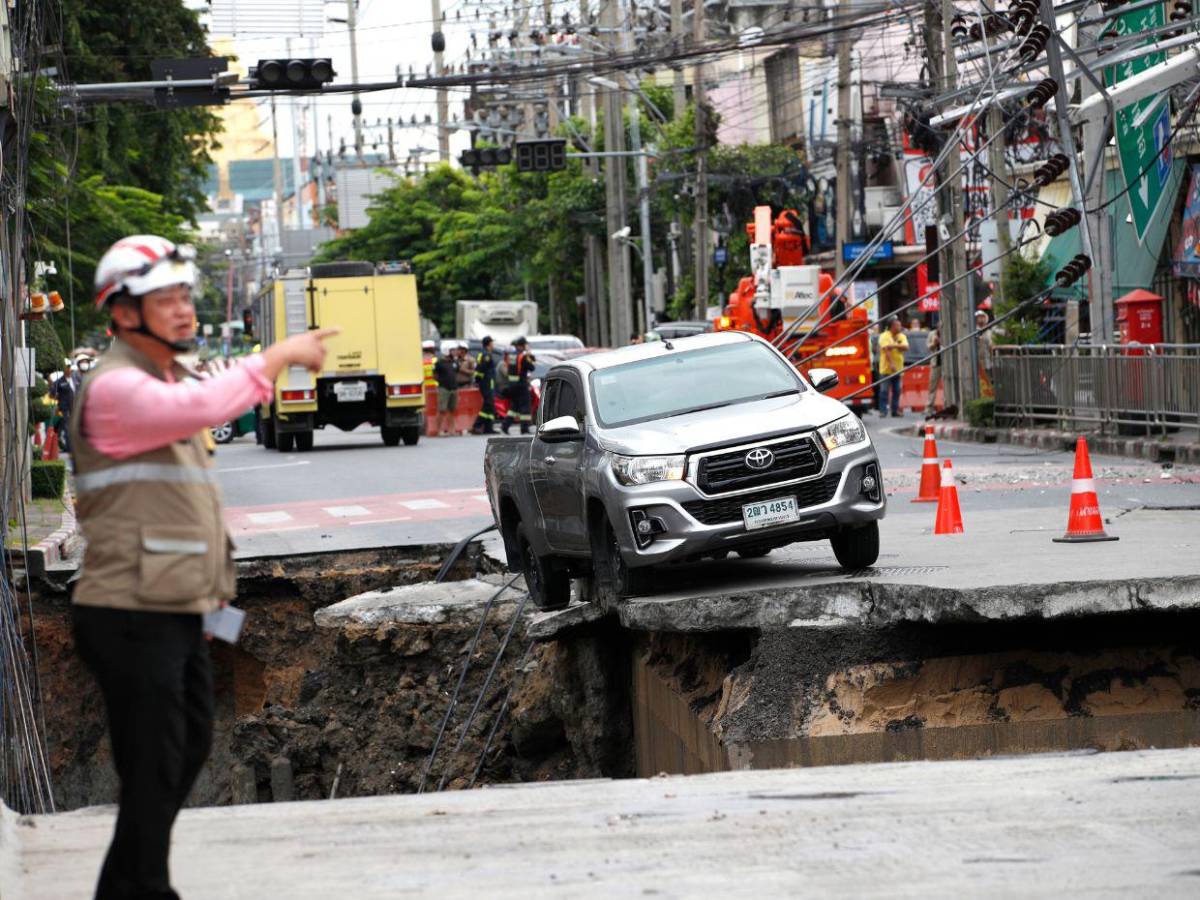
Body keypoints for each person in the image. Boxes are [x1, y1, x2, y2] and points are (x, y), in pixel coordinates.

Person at [69, 234, 334, 900]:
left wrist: (216, 607)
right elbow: (203, 406)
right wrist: (276, 357)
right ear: (124, 313)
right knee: (155, 762)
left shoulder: (165, 377)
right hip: (127, 610)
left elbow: (204, 411)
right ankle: (144, 888)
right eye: (166, 298)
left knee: (182, 749)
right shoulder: (115, 388)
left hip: (174, 606)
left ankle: (130, 887)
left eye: (186, 294)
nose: (184, 309)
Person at [502, 336, 536, 435]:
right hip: (521, 385)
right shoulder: (523, 356)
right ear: (522, 345)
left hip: (512, 385)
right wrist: (529, 354)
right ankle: (524, 428)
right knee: (525, 406)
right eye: (525, 345)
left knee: (514, 407)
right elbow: (532, 367)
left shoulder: (511, 355)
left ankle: (505, 425)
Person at [877, 316, 908, 417]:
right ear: (892, 326)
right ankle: (883, 411)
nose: (900, 327)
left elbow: (906, 347)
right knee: (884, 391)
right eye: (898, 325)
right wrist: (891, 363)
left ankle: (894, 411)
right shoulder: (884, 336)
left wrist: (894, 346)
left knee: (897, 391)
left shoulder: (901, 336)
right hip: (886, 369)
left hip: (898, 369)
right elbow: (886, 350)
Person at [472, 336, 498, 434]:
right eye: (492, 343)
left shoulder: (482, 353)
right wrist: (479, 380)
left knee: (490, 404)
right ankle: (477, 424)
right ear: (489, 344)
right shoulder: (486, 355)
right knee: (488, 403)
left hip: (486, 382)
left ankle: (488, 428)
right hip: (486, 382)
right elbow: (481, 368)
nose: (493, 345)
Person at [433, 344, 460, 436]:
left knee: (452, 410)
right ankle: (438, 430)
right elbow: (435, 375)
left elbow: (456, 372)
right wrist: (442, 382)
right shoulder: (439, 362)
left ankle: (452, 430)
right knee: (442, 410)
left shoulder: (454, 362)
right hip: (444, 388)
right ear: (446, 350)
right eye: (452, 350)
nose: (454, 352)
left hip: (454, 388)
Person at [51, 361, 77, 453]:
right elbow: (53, 393)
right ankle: (69, 447)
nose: (69, 369)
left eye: (70, 367)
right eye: (67, 367)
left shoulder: (75, 379)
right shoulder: (59, 381)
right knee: (67, 428)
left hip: (75, 408)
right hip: (65, 409)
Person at [925, 326, 942, 415]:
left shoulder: (948, 332)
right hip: (936, 363)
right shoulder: (932, 334)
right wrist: (934, 343)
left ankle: (947, 405)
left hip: (947, 364)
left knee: (948, 385)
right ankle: (929, 408)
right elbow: (928, 347)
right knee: (932, 386)